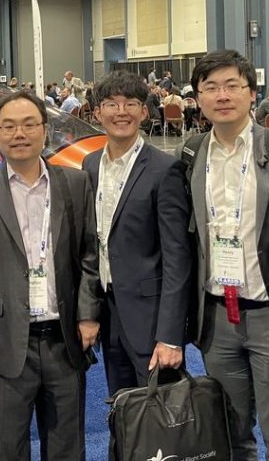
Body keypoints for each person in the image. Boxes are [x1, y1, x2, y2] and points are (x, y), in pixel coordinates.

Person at [181, 50, 269, 461]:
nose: (222, 96)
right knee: (231, 433)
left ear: (251, 92)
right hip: (217, 315)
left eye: (232, 86)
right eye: (210, 88)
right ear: (198, 98)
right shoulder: (191, 154)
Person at [0, 91, 100, 460]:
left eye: (29, 124)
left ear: (45, 129)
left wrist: (87, 314)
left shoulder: (75, 183)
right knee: (8, 446)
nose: (19, 134)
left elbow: (89, 255)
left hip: (63, 339)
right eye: (9, 126)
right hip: (4, 341)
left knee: (67, 445)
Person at [82, 70, 191, 393]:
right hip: (108, 309)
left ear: (144, 112)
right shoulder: (90, 165)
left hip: (149, 314)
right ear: (97, 112)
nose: (121, 112)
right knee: (121, 404)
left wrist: (170, 334)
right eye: (111, 104)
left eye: (130, 103)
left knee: (158, 410)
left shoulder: (164, 169)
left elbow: (177, 256)